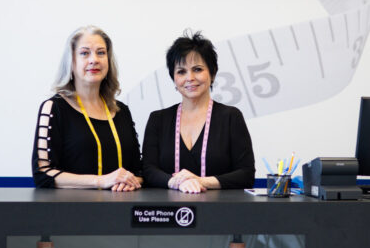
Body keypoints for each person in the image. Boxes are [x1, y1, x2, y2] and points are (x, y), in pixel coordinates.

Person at [142, 31, 255, 193]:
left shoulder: (231, 117)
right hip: (167, 212)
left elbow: (246, 174)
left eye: (197, 69)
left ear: (213, 73)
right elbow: (148, 170)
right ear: (173, 78)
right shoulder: (158, 119)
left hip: (221, 211)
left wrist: (200, 181)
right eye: (181, 71)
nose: (190, 78)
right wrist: (176, 182)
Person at [31, 26, 142, 190]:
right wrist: (102, 181)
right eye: (84, 53)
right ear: (71, 61)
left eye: (101, 53)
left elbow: (139, 172)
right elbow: (44, 173)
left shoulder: (122, 111)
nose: (94, 60)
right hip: (74, 212)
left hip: (120, 211)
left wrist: (131, 183)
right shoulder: (54, 108)